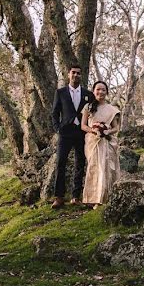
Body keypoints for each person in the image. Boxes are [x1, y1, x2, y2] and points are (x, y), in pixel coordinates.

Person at [51, 65, 92, 208]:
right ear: (69, 74)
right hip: (65, 132)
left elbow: (92, 112)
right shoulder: (60, 92)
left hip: (81, 132)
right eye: (73, 73)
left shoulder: (88, 94)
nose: (76, 75)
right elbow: (55, 113)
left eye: (78, 73)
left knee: (80, 163)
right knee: (60, 163)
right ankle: (59, 197)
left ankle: (75, 196)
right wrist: (58, 128)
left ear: (81, 76)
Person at [80, 81, 121, 208]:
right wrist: (94, 130)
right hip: (93, 141)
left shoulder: (112, 109)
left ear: (106, 92)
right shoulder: (88, 107)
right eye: (98, 89)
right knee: (95, 168)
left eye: (103, 90)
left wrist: (107, 131)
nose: (100, 92)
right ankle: (93, 198)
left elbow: (116, 128)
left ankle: (107, 197)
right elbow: (83, 126)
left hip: (107, 142)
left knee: (107, 168)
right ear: (94, 91)